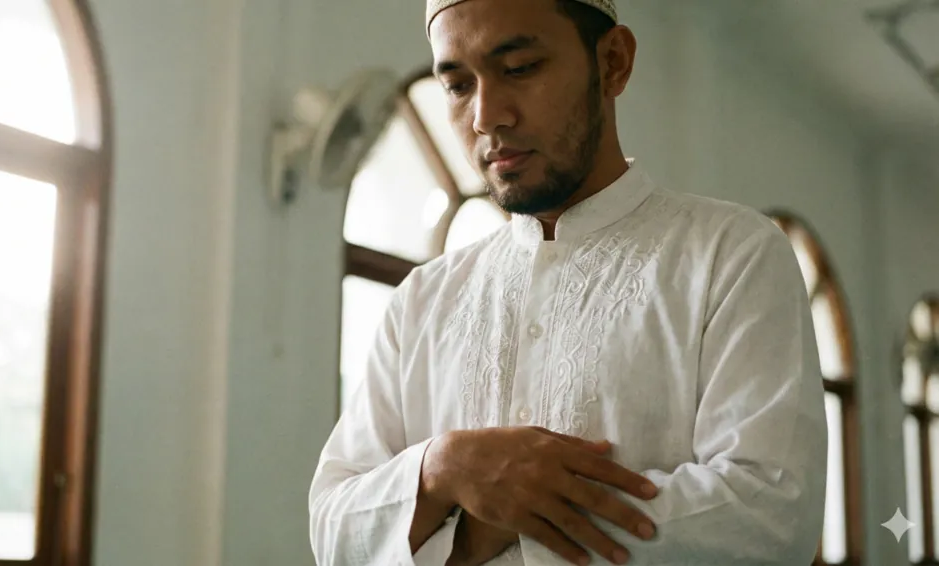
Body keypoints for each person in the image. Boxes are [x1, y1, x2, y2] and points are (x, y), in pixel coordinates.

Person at [309, 0, 828, 563]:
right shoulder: (423, 299)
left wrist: (491, 526)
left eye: (520, 68)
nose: (487, 116)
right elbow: (334, 527)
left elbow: (771, 514)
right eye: (457, 85)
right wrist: (443, 468)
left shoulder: (729, 253)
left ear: (613, 63)